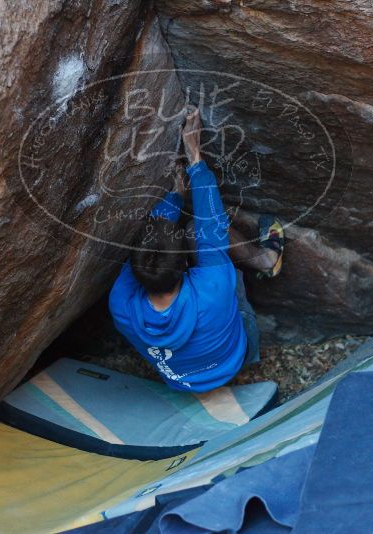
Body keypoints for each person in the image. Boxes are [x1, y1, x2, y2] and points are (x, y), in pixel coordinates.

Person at [108, 109, 284, 392]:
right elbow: (210, 224)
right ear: (186, 265)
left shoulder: (120, 301)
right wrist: (194, 156)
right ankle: (267, 260)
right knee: (200, 235)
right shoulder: (211, 287)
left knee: (207, 249)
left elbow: (150, 249)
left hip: (179, 382)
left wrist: (175, 196)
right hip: (231, 361)